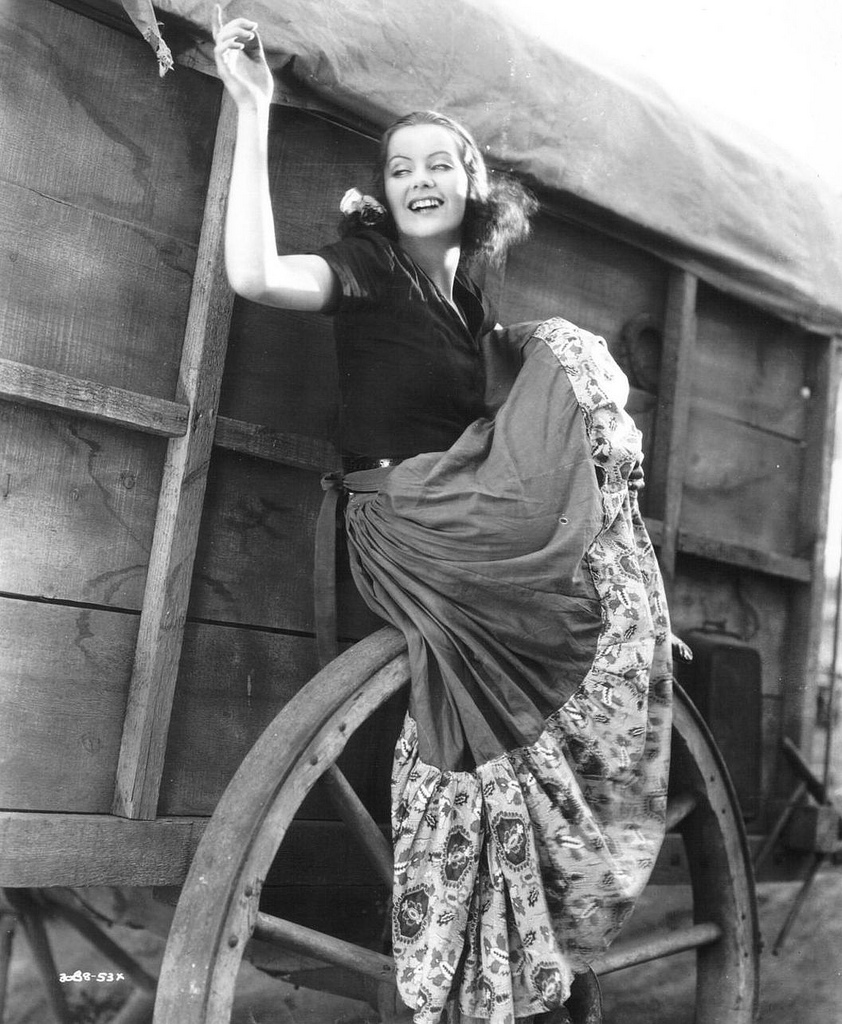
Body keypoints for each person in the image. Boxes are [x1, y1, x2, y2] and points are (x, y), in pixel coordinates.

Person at [213, 10, 673, 1024]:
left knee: (556, 353)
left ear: (473, 185)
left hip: (468, 510)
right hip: (405, 518)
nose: (417, 180)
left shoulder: (472, 307)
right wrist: (252, 111)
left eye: (438, 164)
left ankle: (533, 899)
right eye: (399, 168)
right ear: (382, 194)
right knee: (563, 360)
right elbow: (255, 276)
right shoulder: (368, 266)